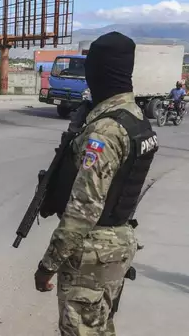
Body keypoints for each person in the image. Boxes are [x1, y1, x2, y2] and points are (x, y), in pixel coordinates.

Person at [33, 32, 159, 335]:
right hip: (117, 245)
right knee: (100, 328)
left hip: (92, 252)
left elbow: (84, 208)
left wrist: (48, 263)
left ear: (100, 71)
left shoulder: (105, 130)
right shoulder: (135, 117)